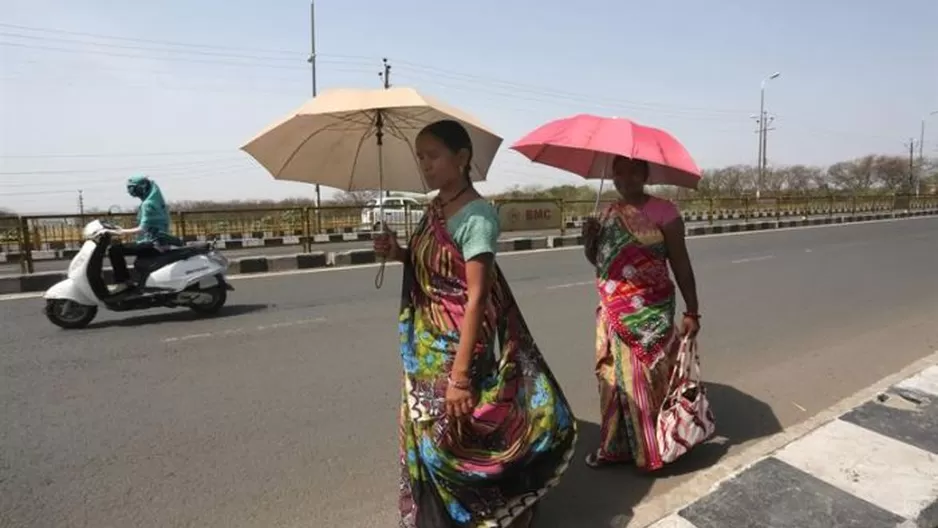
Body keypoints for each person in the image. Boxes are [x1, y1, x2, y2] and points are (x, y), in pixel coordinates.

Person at [374, 120, 577, 528]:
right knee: (428, 435)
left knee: (457, 441)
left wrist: (461, 376)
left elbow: (477, 296)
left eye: (432, 156)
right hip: (425, 347)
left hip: (458, 348)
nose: (424, 165)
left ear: (462, 158)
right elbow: (427, 266)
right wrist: (397, 252)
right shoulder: (434, 210)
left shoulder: (477, 216)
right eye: (420, 157)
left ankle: (501, 507)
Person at [581, 155, 701, 472]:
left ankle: (653, 449)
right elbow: (602, 262)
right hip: (613, 309)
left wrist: (693, 310)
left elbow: (681, 263)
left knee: (644, 379)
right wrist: (589, 241)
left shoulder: (665, 212)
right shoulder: (607, 214)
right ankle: (614, 446)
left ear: (645, 174)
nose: (624, 177)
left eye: (633, 170)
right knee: (611, 377)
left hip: (650, 308)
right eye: (618, 170)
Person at [108, 175, 178, 291]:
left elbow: (143, 228)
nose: (131, 192)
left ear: (142, 187)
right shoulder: (155, 201)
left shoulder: (148, 204)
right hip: (158, 242)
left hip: (153, 244)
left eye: (133, 189)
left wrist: (120, 232)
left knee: (114, 250)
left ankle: (123, 282)